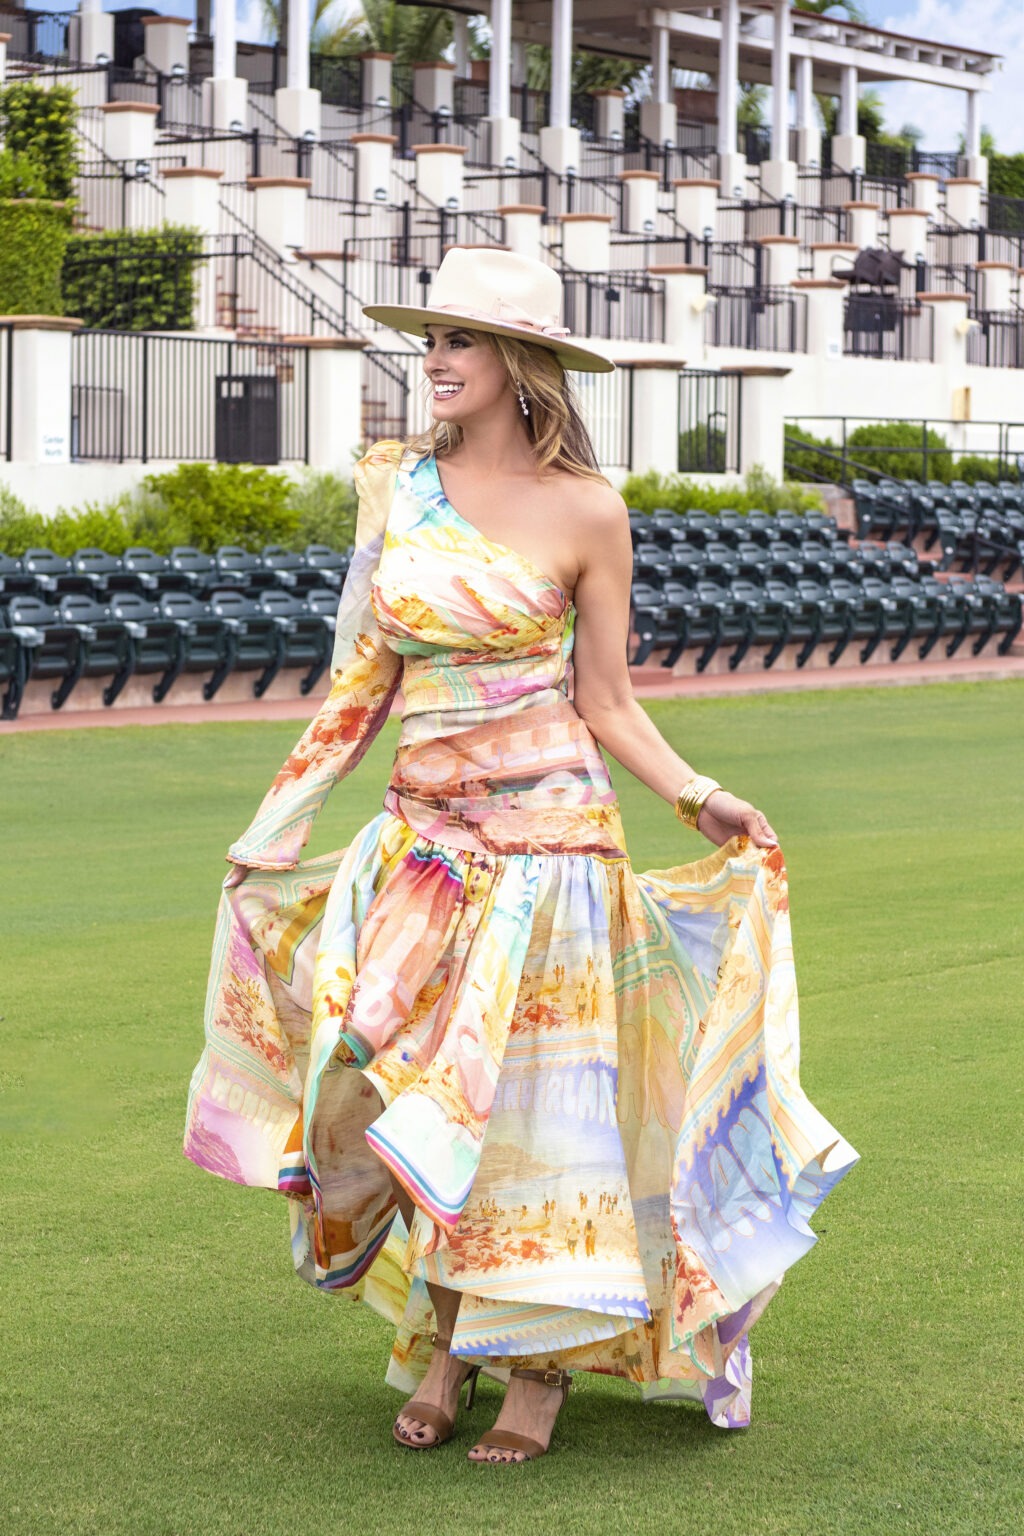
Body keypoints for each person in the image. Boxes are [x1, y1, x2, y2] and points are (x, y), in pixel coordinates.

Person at [183, 248, 858, 1466]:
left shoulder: (590, 510)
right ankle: (449, 1345)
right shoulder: (396, 489)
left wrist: (696, 796)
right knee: (399, 1099)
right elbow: (358, 688)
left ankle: (531, 1374)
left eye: (464, 340)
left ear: (523, 364)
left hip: (551, 851)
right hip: (415, 850)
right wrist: (275, 827)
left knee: (538, 1120)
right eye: (430, 338)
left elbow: (607, 698)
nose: (435, 359)